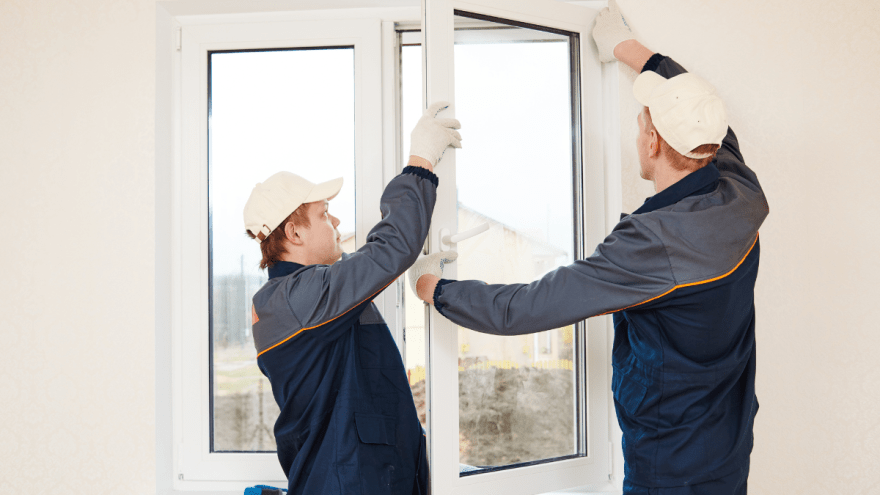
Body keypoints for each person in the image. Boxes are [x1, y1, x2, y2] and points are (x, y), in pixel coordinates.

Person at [408, 2, 768, 493]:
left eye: (643, 124)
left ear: (653, 144)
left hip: (669, 469)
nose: (638, 131)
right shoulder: (738, 189)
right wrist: (629, 49)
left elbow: (526, 308)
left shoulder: (651, 245)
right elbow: (704, 111)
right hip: (728, 449)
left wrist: (437, 289)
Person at [243, 101, 461, 495]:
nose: (338, 223)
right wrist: (420, 161)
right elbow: (388, 251)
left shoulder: (301, 296)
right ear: (294, 233)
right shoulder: (297, 298)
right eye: (325, 214)